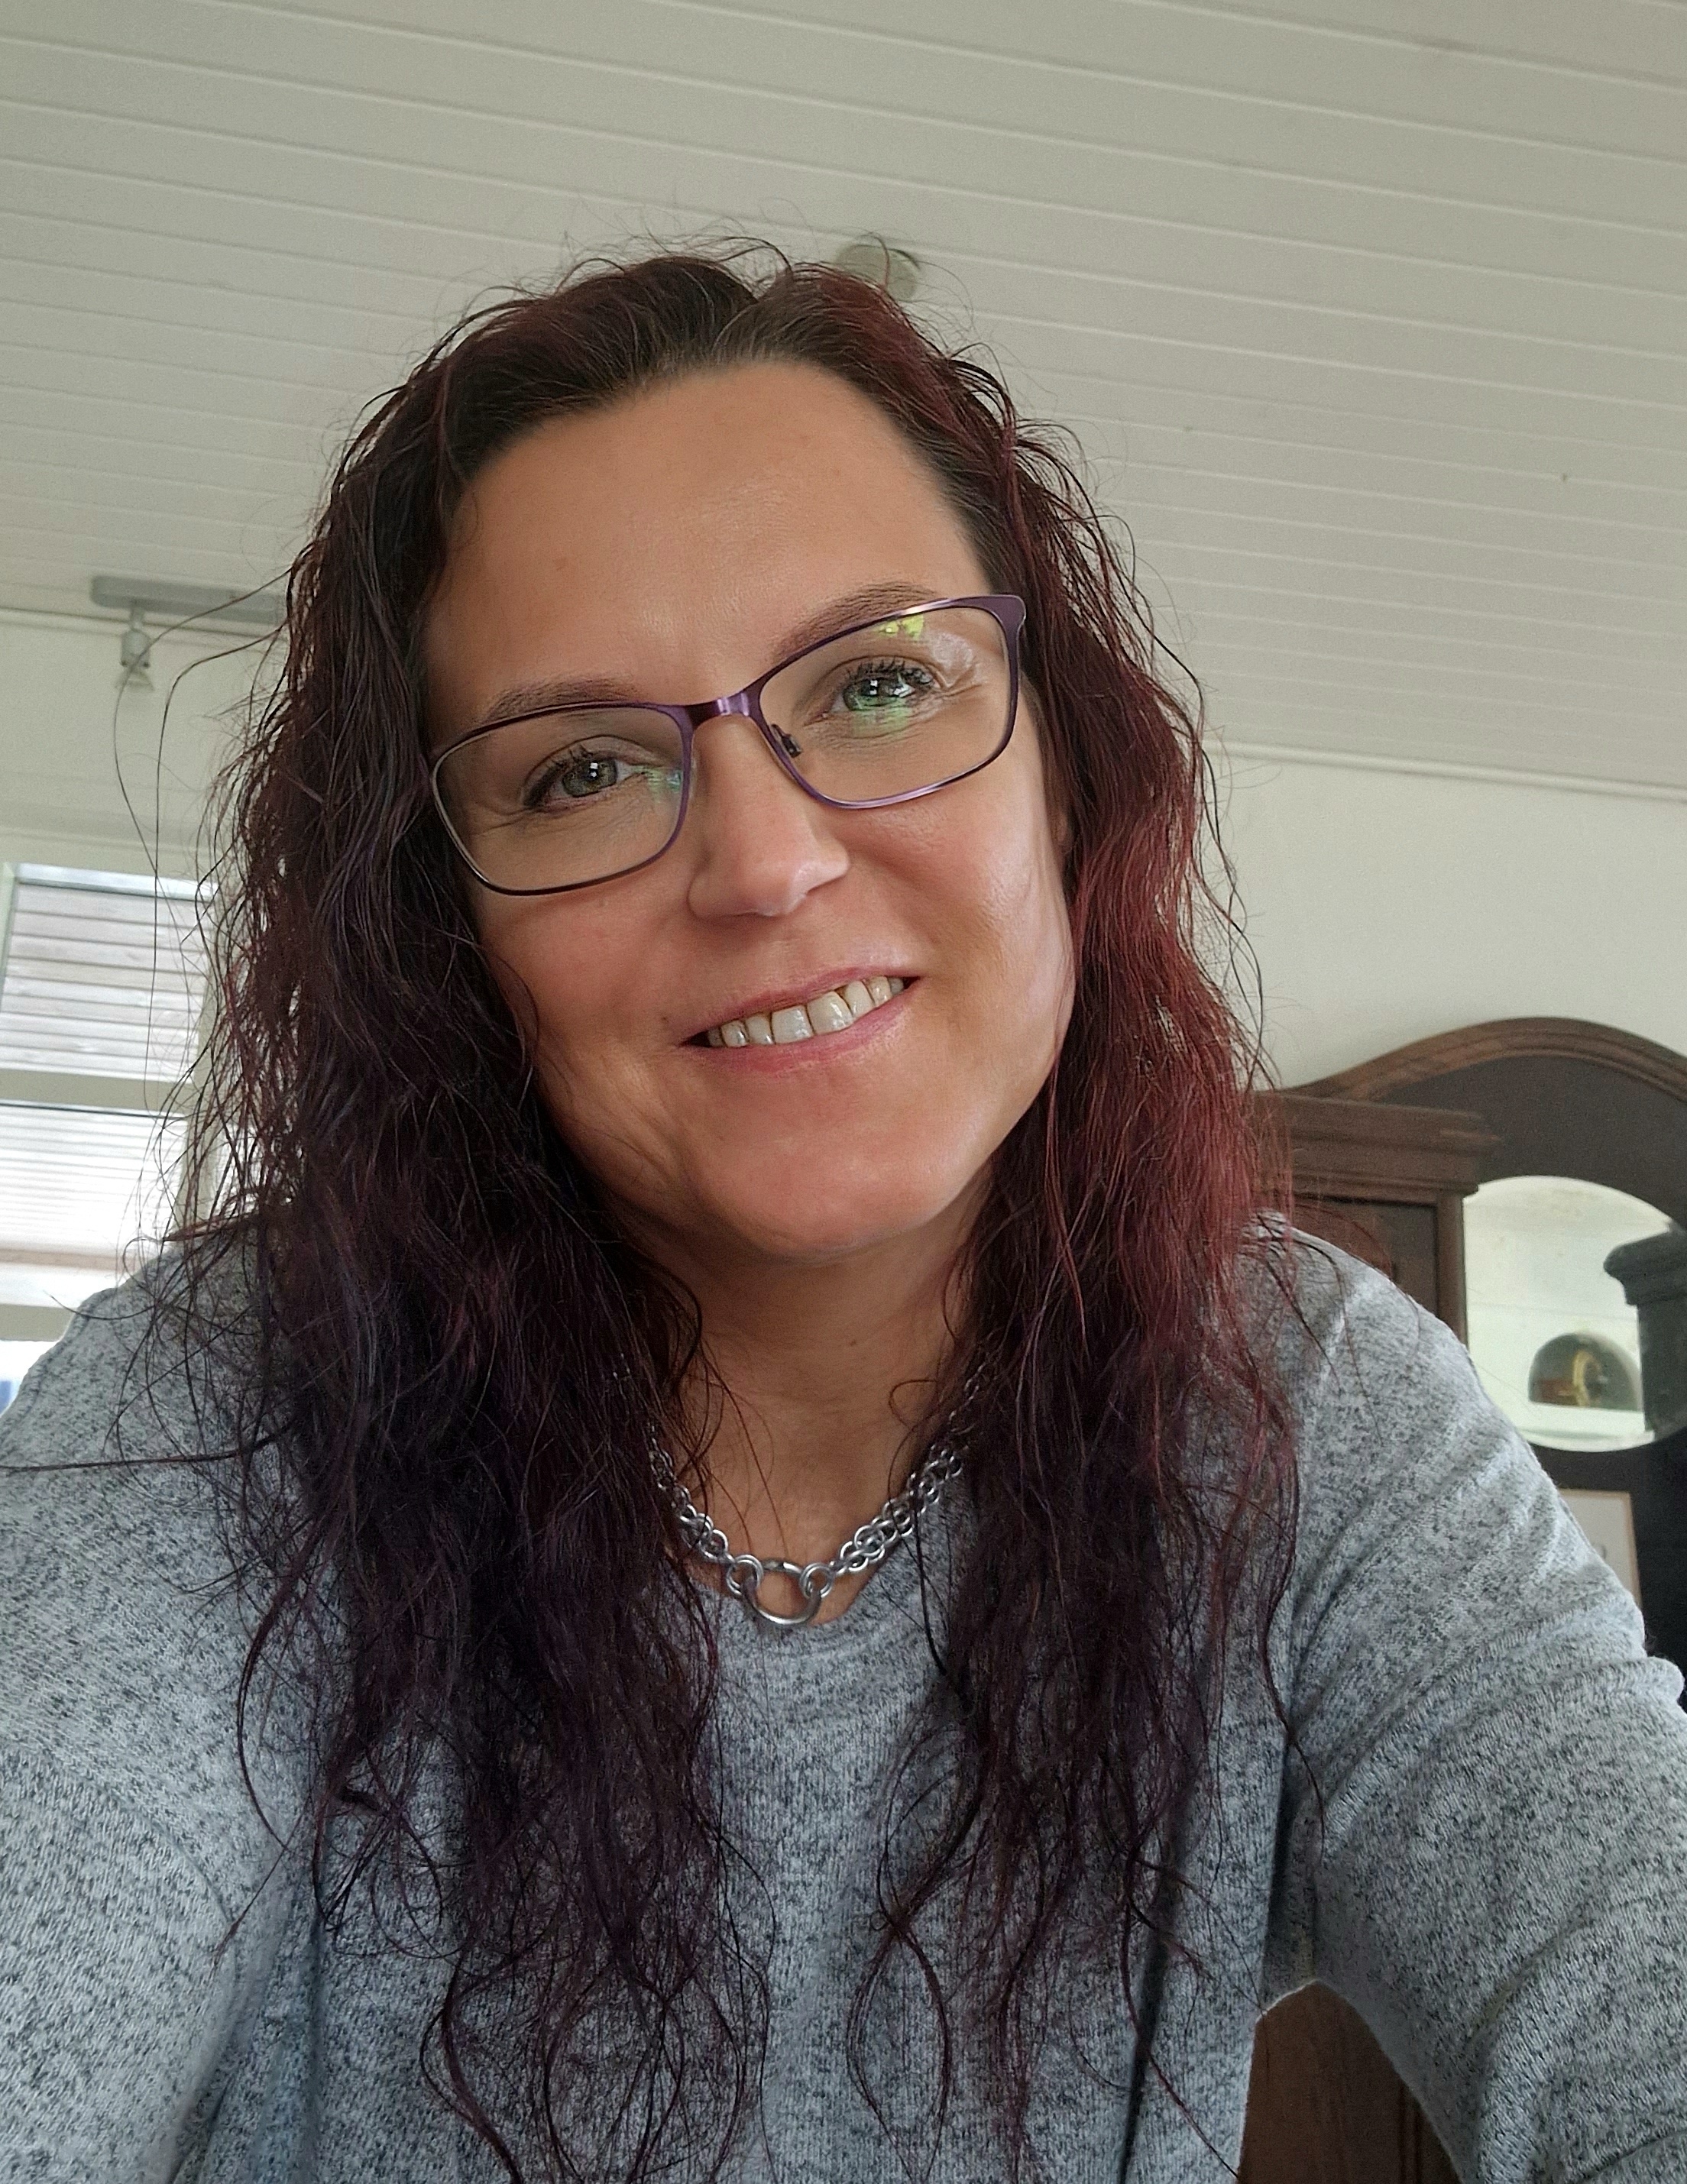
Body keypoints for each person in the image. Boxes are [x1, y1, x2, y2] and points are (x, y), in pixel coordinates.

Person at [2, 249, 1684, 2184]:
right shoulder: (220, 1411)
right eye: (581, 768)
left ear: (1069, 776)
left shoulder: (1303, 1405)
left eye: (879, 680)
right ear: (444, 937)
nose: (767, 860)